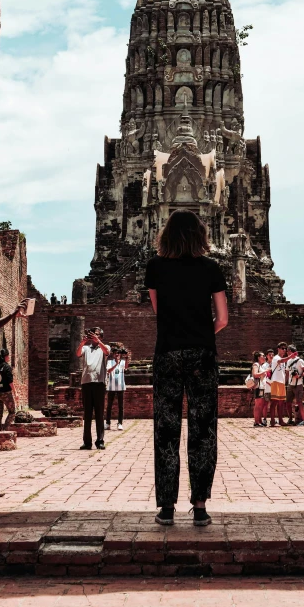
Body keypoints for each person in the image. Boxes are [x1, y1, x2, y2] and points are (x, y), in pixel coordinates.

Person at [144, 210, 228, 527]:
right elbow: (222, 319)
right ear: (200, 236)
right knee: (203, 429)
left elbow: (158, 311)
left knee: (166, 430)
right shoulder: (211, 268)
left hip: (167, 352)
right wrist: (201, 333)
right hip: (202, 354)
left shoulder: (155, 267)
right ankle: (201, 505)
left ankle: (167, 507)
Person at [76, 326, 111, 450]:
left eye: (96, 334)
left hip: (99, 384)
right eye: (92, 335)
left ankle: (100, 441)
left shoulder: (104, 347)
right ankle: (87, 442)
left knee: (99, 413)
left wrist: (98, 341)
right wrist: (82, 342)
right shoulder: (86, 347)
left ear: (101, 336)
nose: (93, 337)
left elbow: (107, 352)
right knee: (87, 413)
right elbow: (78, 353)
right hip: (86, 383)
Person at [106, 347, 129, 430]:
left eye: (118, 353)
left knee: (120, 406)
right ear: (113, 354)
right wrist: (116, 364)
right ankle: (108, 423)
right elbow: (108, 371)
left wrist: (126, 358)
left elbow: (126, 367)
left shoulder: (122, 362)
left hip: (120, 387)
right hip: (111, 387)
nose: (117, 355)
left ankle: (120, 423)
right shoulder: (110, 362)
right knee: (109, 406)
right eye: (115, 353)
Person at [285, 344, 304, 425]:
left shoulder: (299, 360)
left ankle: (303, 420)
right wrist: (285, 382)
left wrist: (299, 376)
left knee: (299, 401)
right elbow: (287, 373)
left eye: (288, 351)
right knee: (288, 402)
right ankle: (290, 419)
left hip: (298, 384)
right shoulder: (288, 361)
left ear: (291, 351)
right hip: (290, 384)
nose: (287, 352)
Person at [266, 342, 288, 426]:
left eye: (285, 349)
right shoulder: (276, 358)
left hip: (281, 382)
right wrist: (290, 357)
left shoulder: (284, 361)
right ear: (278, 349)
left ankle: (280, 420)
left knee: (281, 402)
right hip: (275, 381)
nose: (284, 350)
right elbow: (280, 361)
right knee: (274, 402)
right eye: (282, 348)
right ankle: (272, 420)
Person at [0, 348, 16, 430]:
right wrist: (15, 393)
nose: (9, 357)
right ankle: (5, 429)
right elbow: (10, 382)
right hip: (6, 393)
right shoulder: (7, 367)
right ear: (5, 357)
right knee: (12, 412)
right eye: (8, 355)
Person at [252, 352, 267, 427]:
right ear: (258, 357)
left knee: (261, 404)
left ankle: (259, 420)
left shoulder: (261, 366)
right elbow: (255, 374)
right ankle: (256, 422)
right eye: (263, 356)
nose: (264, 357)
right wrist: (265, 371)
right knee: (258, 404)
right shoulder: (256, 364)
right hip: (258, 387)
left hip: (262, 387)